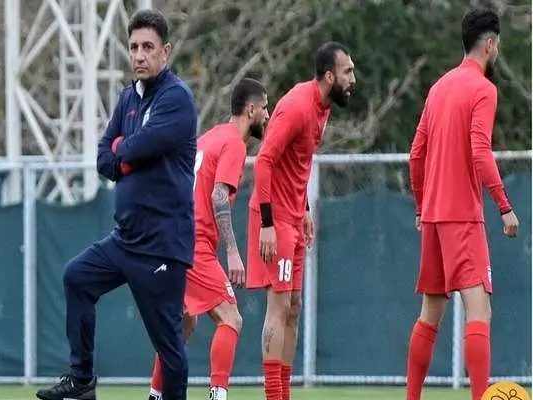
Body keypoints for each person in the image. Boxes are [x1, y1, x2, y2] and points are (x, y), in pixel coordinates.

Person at [35, 9, 197, 400]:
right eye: (134, 47)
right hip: (125, 240)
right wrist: (127, 150)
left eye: (148, 47)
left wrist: (125, 148)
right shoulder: (128, 98)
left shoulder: (176, 98)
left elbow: (139, 146)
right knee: (77, 277)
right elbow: (104, 159)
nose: (139, 55)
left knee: (169, 347)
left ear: (165, 52)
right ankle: (82, 381)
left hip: (161, 244)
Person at [406, 8, 519, 400]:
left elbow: (415, 154)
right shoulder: (483, 89)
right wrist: (504, 205)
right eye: (497, 44)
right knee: (479, 310)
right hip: (462, 215)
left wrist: (421, 206)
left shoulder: (439, 87)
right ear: (489, 44)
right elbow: (479, 151)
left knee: (430, 313)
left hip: (433, 216)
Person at [245, 42, 356, 400]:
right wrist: (267, 224)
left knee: (293, 309)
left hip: (293, 217)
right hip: (274, 219)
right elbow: (264, 161)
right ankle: (272, 396)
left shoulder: (324, 108)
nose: (353, 79)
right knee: (278, 308)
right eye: (348, 71)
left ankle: (284, 394)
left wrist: (304, 206)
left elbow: (297, 164)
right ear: (329, 76)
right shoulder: (297, 106)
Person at [147, 77, 270, 400]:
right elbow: (218, 195)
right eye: (265, 107)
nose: (267, 115)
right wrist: (233, 251)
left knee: (183, 324)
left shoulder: (209, 137)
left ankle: (155, 395)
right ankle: (218, 395)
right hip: (193, 243)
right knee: (231, 317)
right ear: (251, 110)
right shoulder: (234, 143)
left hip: (171, 238)